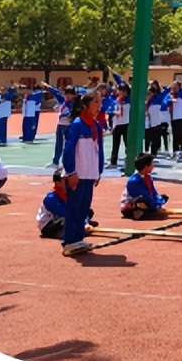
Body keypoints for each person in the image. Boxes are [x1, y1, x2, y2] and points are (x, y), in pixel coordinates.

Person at [60, 89, 105, 256]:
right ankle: (69, 241)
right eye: (95, 102)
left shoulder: (97, 126)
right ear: (85, 105)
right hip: (78, 174)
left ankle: (78, 238)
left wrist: (98, 171)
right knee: (74, 207)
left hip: (89, 173)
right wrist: (71, 172)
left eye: (100, 103)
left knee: (84, 208)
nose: (99, 106)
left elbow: (98, 150)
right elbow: (69, 150)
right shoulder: (77, 125)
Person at [37, 169, 95, 238]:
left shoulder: (69, 193)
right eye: (65, 180)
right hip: (49, 225)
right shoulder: (51, 198)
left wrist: (85, 221)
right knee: (65, 219)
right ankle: (67, 233)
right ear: (57, 183)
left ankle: (77, 228)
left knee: (88, 211)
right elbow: (65, 213)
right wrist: (83, 223)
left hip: (64, 218)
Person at [120, 152, 170, 219]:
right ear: (146, 166)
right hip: (130, 205)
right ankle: (138, 211)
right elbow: (145, 196)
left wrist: (159, 201)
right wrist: (156, 206)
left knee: (162, 197)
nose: (153, 165)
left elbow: (153, 193)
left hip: (146, 199)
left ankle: (148, 210)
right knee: (142, 200)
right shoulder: (134, 181)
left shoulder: (148, 177)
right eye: (152, 163)